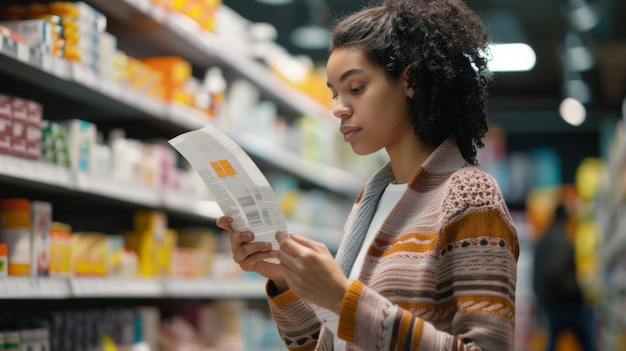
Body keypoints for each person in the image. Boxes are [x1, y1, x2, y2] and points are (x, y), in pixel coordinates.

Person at [217, 0, 520, 349]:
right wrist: (287, 281)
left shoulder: (470, 198)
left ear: (411, 81)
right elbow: (337, 342)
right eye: (334, 93)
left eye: (356, 88)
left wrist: (342, 297)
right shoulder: (371, 199)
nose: (338, 108)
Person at [532, 204, 595, 351]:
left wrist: (541, 299)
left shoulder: (542, 240)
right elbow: (557, 273)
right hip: (566, 305)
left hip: (548, 304)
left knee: (552, 342)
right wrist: (579, 294)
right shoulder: (564, 241)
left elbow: (536, 275)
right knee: (587, 339)